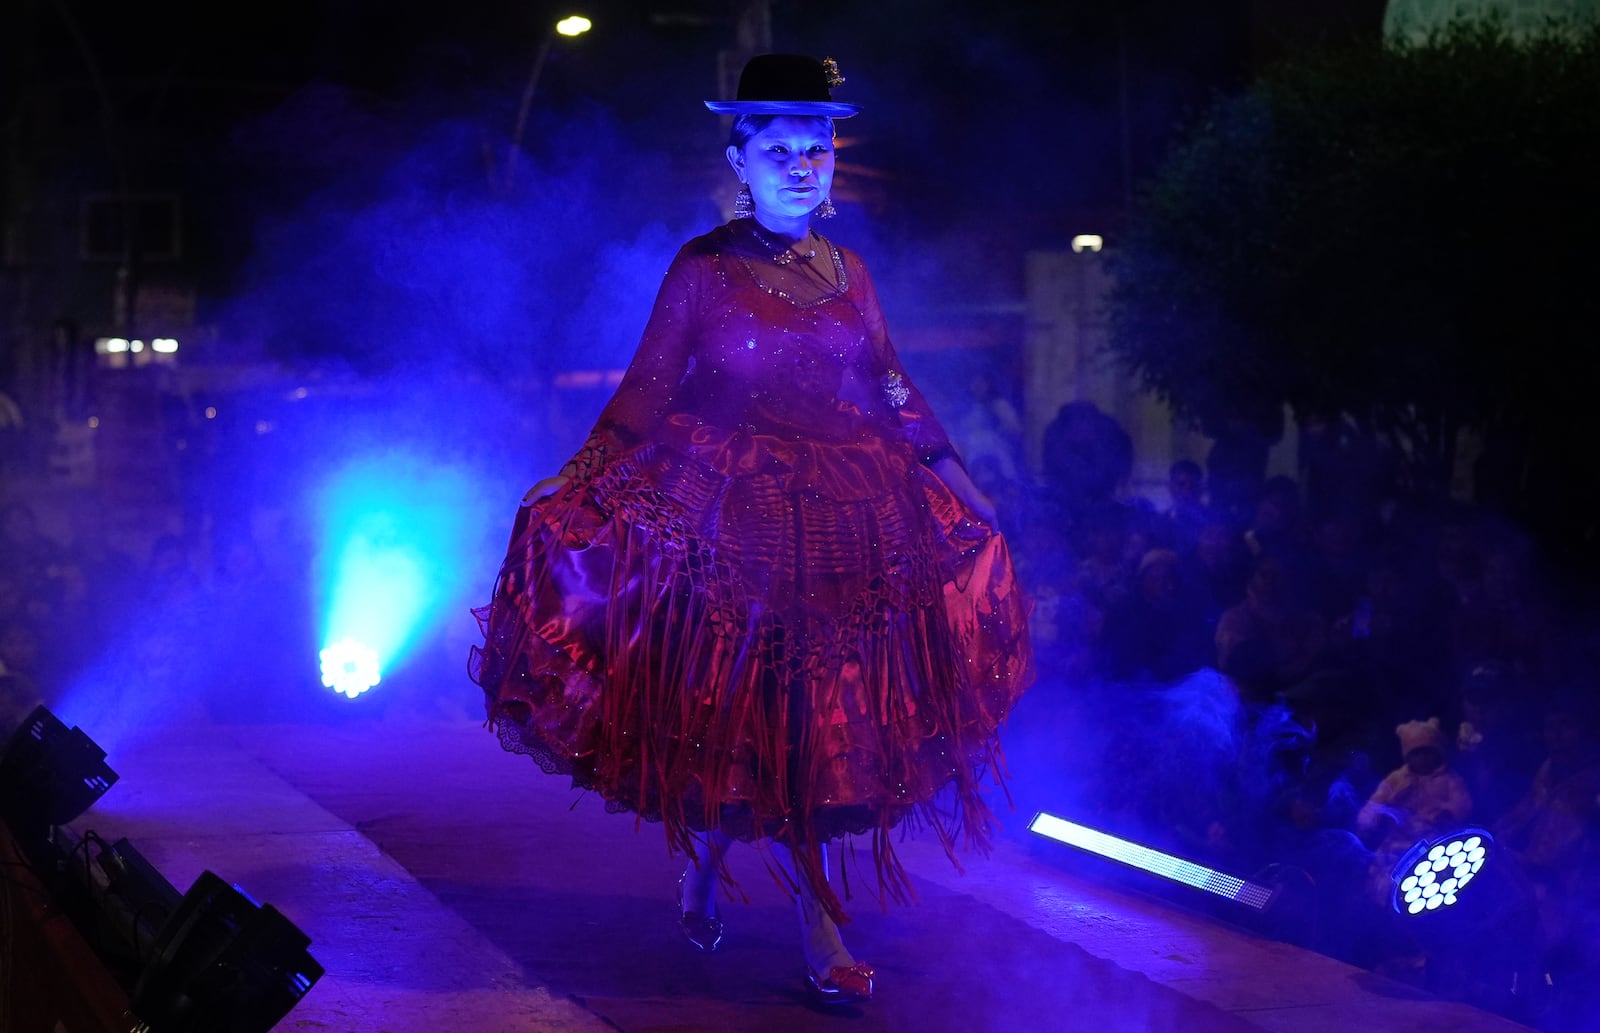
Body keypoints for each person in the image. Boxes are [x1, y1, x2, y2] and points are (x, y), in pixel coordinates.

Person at [469, 54, 1034, 1005]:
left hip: (849, 516)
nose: (802, 164)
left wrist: (955, 474)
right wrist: (577, 477)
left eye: (816, 148)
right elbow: (648, 391)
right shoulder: (702, 267)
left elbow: (890, 384)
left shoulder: (851, 272)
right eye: (779, 149)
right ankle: (819, 926)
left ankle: (707, 869)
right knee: (767, 717)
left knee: (795, 724)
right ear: (740, 159)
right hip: (727, 524)